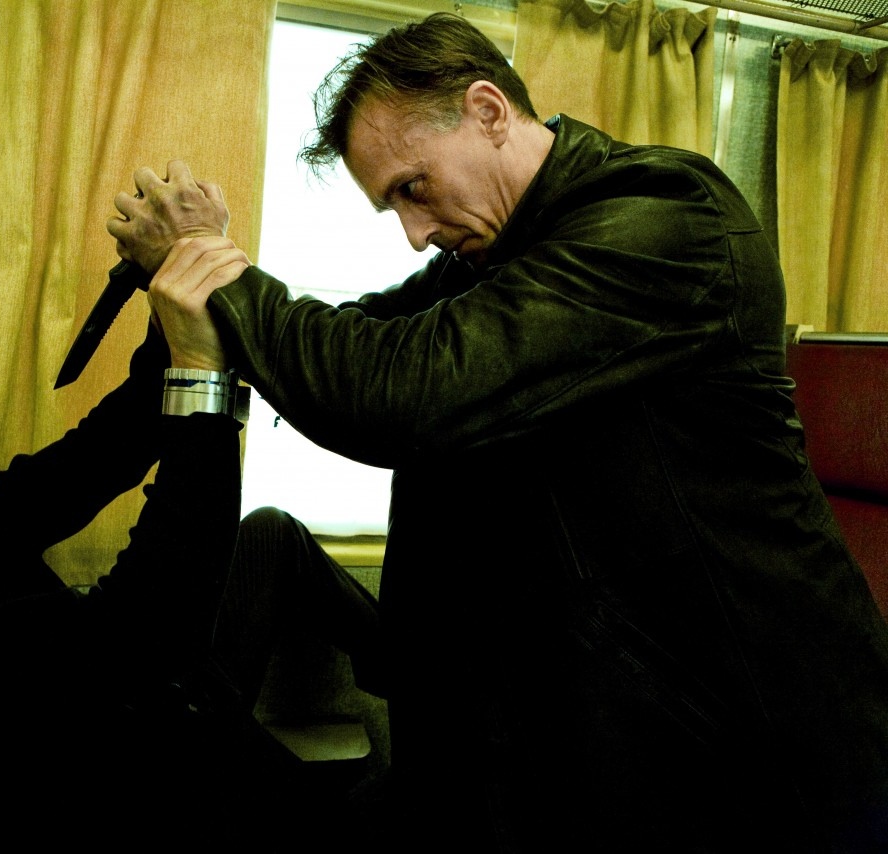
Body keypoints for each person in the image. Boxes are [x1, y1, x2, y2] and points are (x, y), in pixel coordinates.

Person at [106, 11, 888, 852]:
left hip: (745, 745)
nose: (415, 232)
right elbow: (357, 340)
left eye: (413, 188)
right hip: (580, 717)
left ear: (487, 111)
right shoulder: (493, 255)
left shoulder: (664, 215)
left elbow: (399, 389)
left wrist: (211, 268)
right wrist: (203, 296)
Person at [0, 290, 385, 848]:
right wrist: (202, 381)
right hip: (135, 791)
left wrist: (169, 311)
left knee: (271, 536)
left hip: (154, 707)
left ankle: (405, 671)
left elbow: (95, 457)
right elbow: (153, 625)